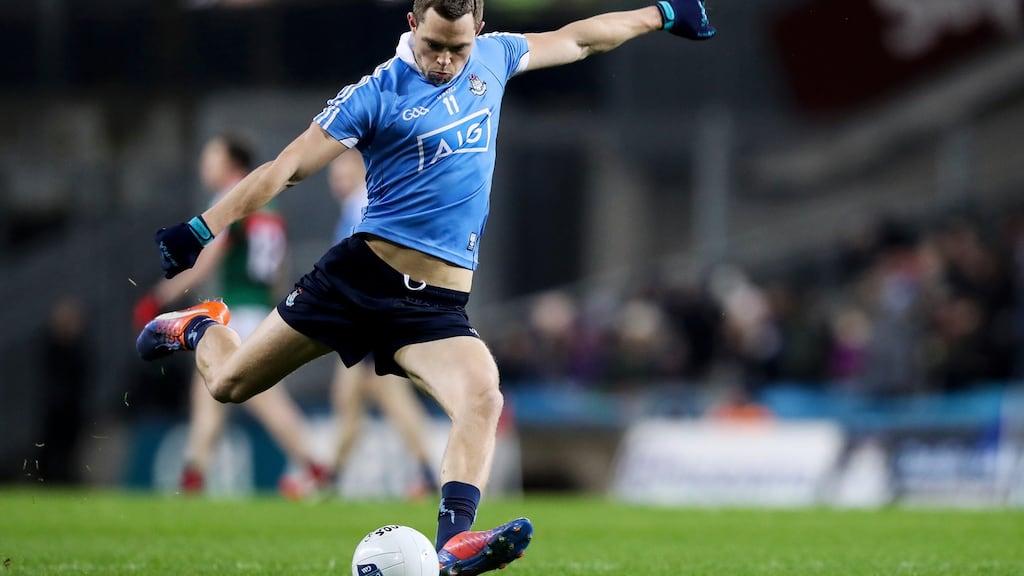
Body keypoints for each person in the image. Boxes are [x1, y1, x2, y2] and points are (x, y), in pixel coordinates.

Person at [136, 2, 715, 574]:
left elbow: (582, 38)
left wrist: (661, 13)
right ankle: (199, 327)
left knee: (482, 396)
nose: (443, 60)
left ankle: (452, 544)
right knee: (230, 384)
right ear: (412, 26)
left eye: (457, 48)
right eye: (433, 45)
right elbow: (288, 167)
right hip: (356, 282)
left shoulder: (496, 56)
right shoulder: (377, 92)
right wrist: (202, 226)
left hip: (433, 306)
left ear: (479, 31)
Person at [133, 133, 329, 497]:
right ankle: (195, 472)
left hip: (234, 312)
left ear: (230, 163)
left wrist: (158, 297)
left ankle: (314, 464)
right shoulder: (270, 204)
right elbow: (279, 266)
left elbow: (205, 260)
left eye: (211, 156)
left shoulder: (233, 199)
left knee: (258, 398)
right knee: (212, 389)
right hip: (259, 310)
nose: (204, 164)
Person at [327, 152, 440, 498]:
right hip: (376, 312)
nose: (337, 180)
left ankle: (427, 472)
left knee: (380, 396)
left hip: (370, 315)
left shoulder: (362, 203)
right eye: (335, 174)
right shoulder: (365, 201)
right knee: (354, 397)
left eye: (344, 171)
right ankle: (331, 476)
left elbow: (361, 261)